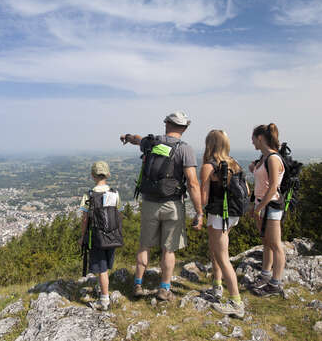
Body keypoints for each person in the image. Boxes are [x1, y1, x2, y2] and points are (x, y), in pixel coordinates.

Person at [120, 111, 203, 301]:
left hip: (150, 202)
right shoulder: (185, 149)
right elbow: (192, 182)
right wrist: (199, 212)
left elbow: (137, 139)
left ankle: (138, 285)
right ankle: (164, 288)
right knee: (169, 249)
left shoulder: (153, 142)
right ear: (184, 128)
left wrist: (127, 137)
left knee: (144, 246)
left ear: (167, 124)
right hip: (173, 204)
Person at [199, 130, 246, 318]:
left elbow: (203, 198)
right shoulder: (233, 162)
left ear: (209, 144)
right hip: (232, 215)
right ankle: (217, 286)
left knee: (222, 257)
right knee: (215, 250)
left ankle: (236, 302)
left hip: (219, 215)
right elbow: (246, 190)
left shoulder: (209, 166)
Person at [78, 161, 123, 311]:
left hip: (96, 237)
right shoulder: (115, 193)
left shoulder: (89, 195)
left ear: (93, 175)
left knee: (102, 269)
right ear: (107, 174)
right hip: (112, 235)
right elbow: (119, 214)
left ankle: (104, 300)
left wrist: (82, 236)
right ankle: (102, 287)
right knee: (105, 267)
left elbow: (85, 219)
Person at [249, 123, 285, 296]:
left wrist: (259, 208)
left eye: (253, 138)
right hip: (261, 204)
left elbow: (273, 188)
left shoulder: (272, 158)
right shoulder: (263, 158)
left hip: (270, 206)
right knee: (266, 242)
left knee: (276, 245)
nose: (252, 142)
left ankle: (275, 283)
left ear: (260, 138)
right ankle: (265, 274)